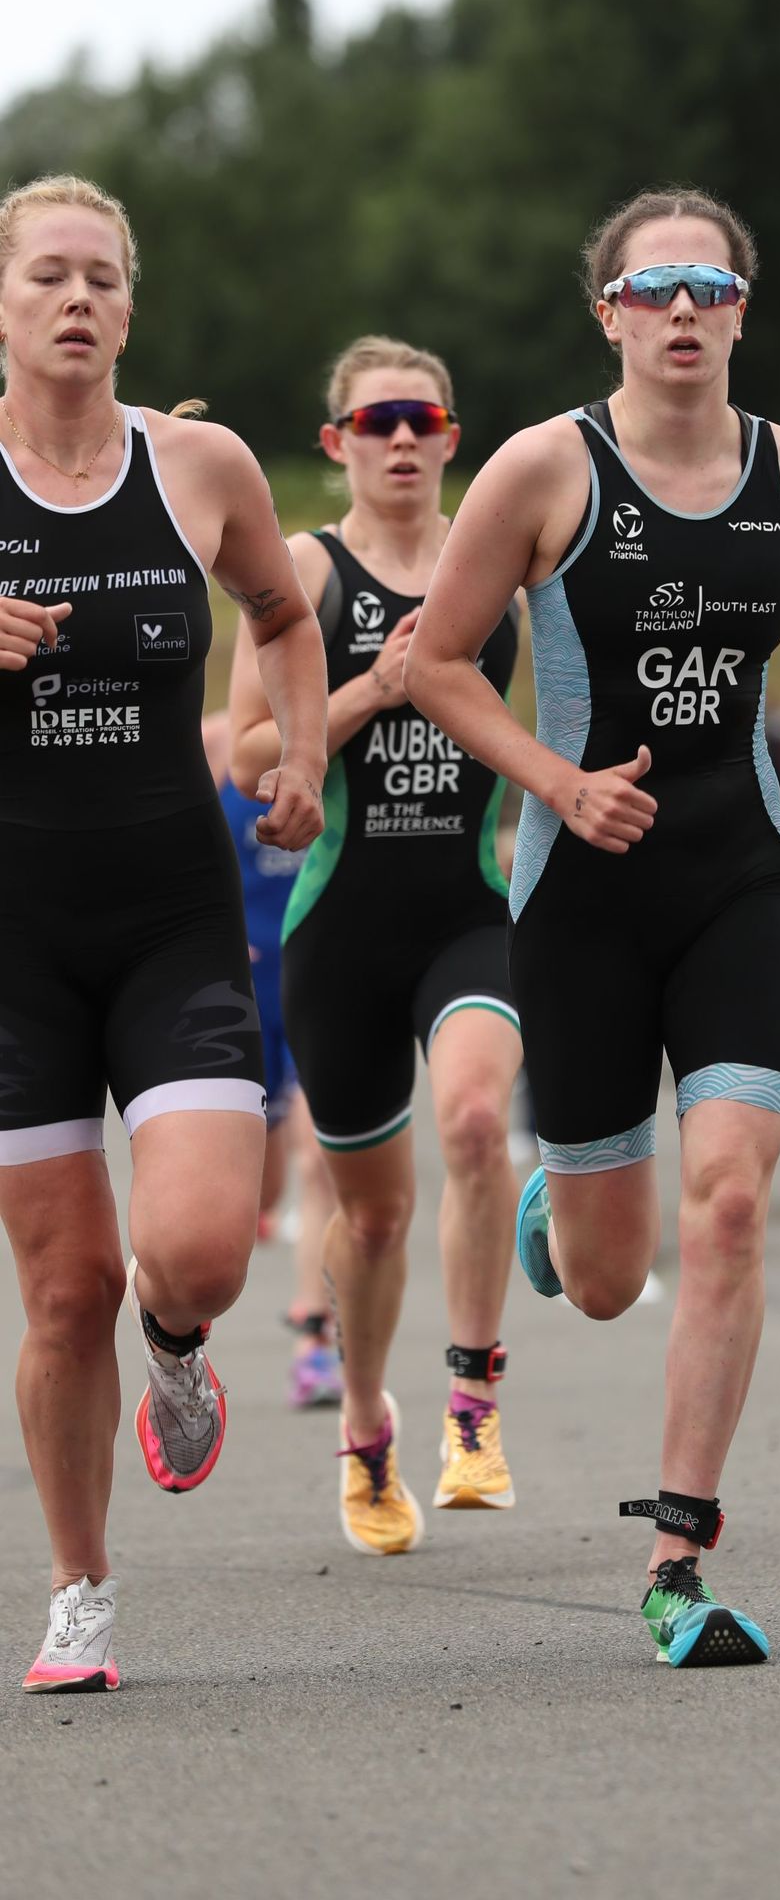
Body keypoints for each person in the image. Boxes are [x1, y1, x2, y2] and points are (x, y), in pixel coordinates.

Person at [404, 186, 780, 1666]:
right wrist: (560, 783)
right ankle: (557, 1211)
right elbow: (438, 665)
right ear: (607, 314)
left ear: (741, 308)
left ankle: (678, 1559)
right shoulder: (540, 470)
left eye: (706, 285)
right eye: (650, 290)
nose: (679, 311)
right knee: (614, 1280)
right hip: (582, 896)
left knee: (735, 1206)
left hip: (739, 878)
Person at [0, 174, 325, 1693]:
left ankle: (179, 1347)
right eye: (50, 275)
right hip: (14, 946)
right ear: (3, 301)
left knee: (190, 1248)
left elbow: (279, 611)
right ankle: (80, 1591)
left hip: (171, 918)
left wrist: (304, 754)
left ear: (131, 307)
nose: (79, 301)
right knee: (62, 1290)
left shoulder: (195, 465)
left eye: (104, 280)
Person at [229, 335, 523, 1556]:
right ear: (335, 442)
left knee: (471, 1121)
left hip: (469, 907)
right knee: (376, 1217)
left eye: (423, 418)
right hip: (339, 922)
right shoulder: (302, 567)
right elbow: (247, 749)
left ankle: (472, 1401)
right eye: (376, 420)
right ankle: (364, 1425)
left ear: (453, 437)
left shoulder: (499, 562)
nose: (401, 438)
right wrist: (374, 691)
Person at [202, 710, 339, 1404]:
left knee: (325, 1159)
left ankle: (318, 1341)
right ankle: (177, 1323)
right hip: (241, 986)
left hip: (319, 968)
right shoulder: (216, 739)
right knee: (250, 1197)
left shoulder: (340, 717)